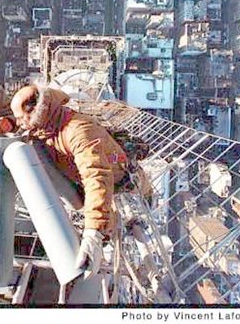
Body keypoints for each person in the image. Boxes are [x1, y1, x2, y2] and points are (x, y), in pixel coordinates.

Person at [10, 85, 152, 279]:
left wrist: (94, 231)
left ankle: (128, 213)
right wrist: (8, 124)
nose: (18, 123)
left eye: (20, 118)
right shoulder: (49, 122)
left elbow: (97, 177)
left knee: (135, 197)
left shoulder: (78, 132)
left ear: (36, 113)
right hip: (85, 179)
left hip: (120, 181)